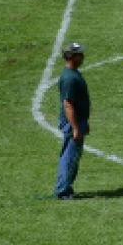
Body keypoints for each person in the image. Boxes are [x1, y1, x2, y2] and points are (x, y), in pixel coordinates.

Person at [54, 42, 91, 199]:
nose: (82, 56)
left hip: (78, 121)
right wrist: (75, 128)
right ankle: (63, 191)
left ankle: (66, 188)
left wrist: (84, 122)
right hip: (72, 124)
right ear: (71, 57)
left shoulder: (73, 73)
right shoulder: (69, 78)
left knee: (73, 157)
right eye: (79, 54)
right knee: (69, 157)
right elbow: (68, 105)